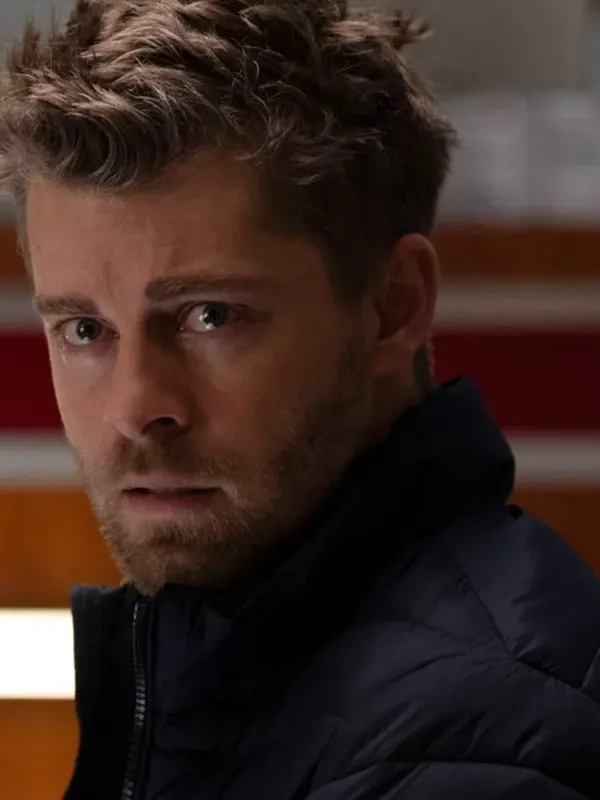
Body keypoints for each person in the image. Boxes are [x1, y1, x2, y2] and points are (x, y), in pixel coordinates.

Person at [1, 1, 599, 798]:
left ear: (392, 305)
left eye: (211, 316)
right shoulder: (213, 676)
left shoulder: (487, 742)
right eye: (84, 329)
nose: (135, 405)